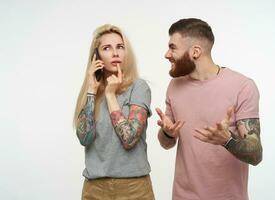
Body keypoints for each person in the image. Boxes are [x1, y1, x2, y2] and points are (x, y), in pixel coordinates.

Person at [156, 18, 263, 200]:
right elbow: (166, 144)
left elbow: (256, 154)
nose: (167, 54)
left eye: (173, 47)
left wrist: (227, 140)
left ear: (195, 52)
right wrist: (168, 133)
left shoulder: (242, 86)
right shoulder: (174, 86)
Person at [73, 24, 155, 200]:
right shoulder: (90, 93)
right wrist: (91, 91)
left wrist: (110, 95)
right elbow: (84, 138)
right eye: (107, 48)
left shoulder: (139, 87)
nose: (115, 53)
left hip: (134, 188)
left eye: (120, 47)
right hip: (94, 188)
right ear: (97, 56)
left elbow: (130, 138)